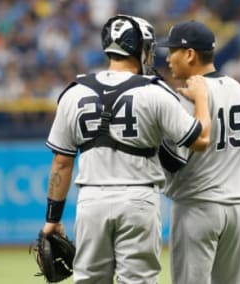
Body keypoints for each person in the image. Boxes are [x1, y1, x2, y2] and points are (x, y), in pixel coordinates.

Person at [39, 14, 211, 284]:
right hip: (139, 200)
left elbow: (62, 162)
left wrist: (52, 219)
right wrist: (202, 99)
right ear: (139, 48)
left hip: (91, 201)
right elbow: (199, 141)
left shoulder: (73, 92)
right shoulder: (155, 92)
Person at [157, 20, 240, 284]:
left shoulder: (185, 97)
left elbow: (173, 161)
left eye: (173, 51)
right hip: (237, 210)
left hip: (197, 207)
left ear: (190, 54)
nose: (168, 58)